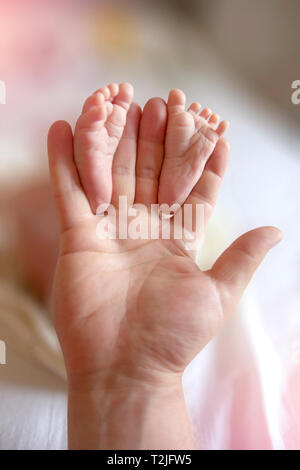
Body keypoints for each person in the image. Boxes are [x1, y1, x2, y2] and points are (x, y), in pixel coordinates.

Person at [47, 82, 281, 449]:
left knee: (59, 224)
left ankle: (93, 177)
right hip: (161, 229)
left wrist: (134, 371)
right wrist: (145, 377)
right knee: (72, 225)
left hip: (147, 232)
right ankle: (99, 177)